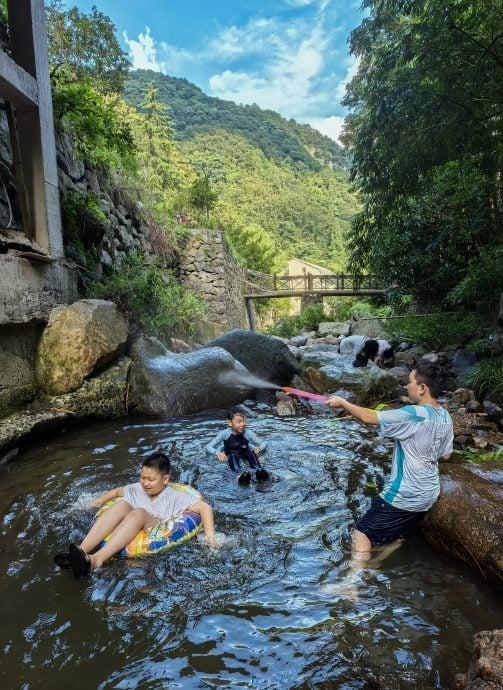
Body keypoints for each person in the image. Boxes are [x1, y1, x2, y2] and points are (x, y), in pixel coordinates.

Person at [325, 361, 453, 562]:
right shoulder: (445, 416)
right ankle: (375, 565)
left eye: (409, 382)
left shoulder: (415, 414)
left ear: (422, 388)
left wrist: (343, 403)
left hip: (405, 494)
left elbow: (369, 417)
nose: (406, 386)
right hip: (428, 493)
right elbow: (446, 456)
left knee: (361, 534)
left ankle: (352, 585)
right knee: (397, 535)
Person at [54, 452, 217, 578]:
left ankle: (96, 560)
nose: (145, 483)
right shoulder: (137, 489)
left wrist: (211, 538)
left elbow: (204, 508)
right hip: (132, 523)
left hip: (155, 527)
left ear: (165, 479)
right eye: (142, 477)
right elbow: (117, 491)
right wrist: (93, 504)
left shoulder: (175, 496)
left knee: (138, 512)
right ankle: (81, 552)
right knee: (122, 504)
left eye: (151, 479)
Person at [205, 407, 269, 485]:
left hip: (245, 451)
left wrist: (260, 448)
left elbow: (264, 443)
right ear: (230, 423)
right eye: (239, 422)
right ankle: (238, 476)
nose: (243, 424)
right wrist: (217, 453)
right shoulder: (224, 434)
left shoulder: (248, 433)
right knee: (233, 456)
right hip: (231, 454)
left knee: (251, 453)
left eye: (244, 421)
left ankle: (259, 471)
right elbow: (208, 446)